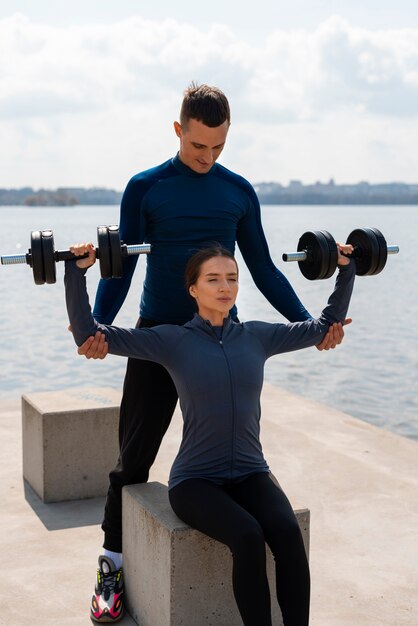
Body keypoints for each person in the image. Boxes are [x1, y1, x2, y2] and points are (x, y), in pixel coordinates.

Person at [74, 83, 350, 622]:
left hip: (222, 333)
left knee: (234, 453)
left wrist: (308, 325)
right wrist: (101, 328)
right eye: (199, 146)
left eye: (219, 147)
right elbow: (121, 266)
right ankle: (111, 568)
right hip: (160, 336)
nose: (208, 157)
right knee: (133, 459)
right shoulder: (145, 188)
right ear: (178, 130)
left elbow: (265, 268)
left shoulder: (239, 192)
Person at [65, 241, 355, 626]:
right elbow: (88, 332)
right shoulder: (172, 340)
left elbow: (322, 327)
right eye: (213, 279)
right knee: (248, 537)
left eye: (232, 279)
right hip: (196, 482)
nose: (225, 287)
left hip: (251, 472)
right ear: (193, 289)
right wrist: (76, 270)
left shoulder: (257, 336)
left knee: (286, 532)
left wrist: (346, 268)